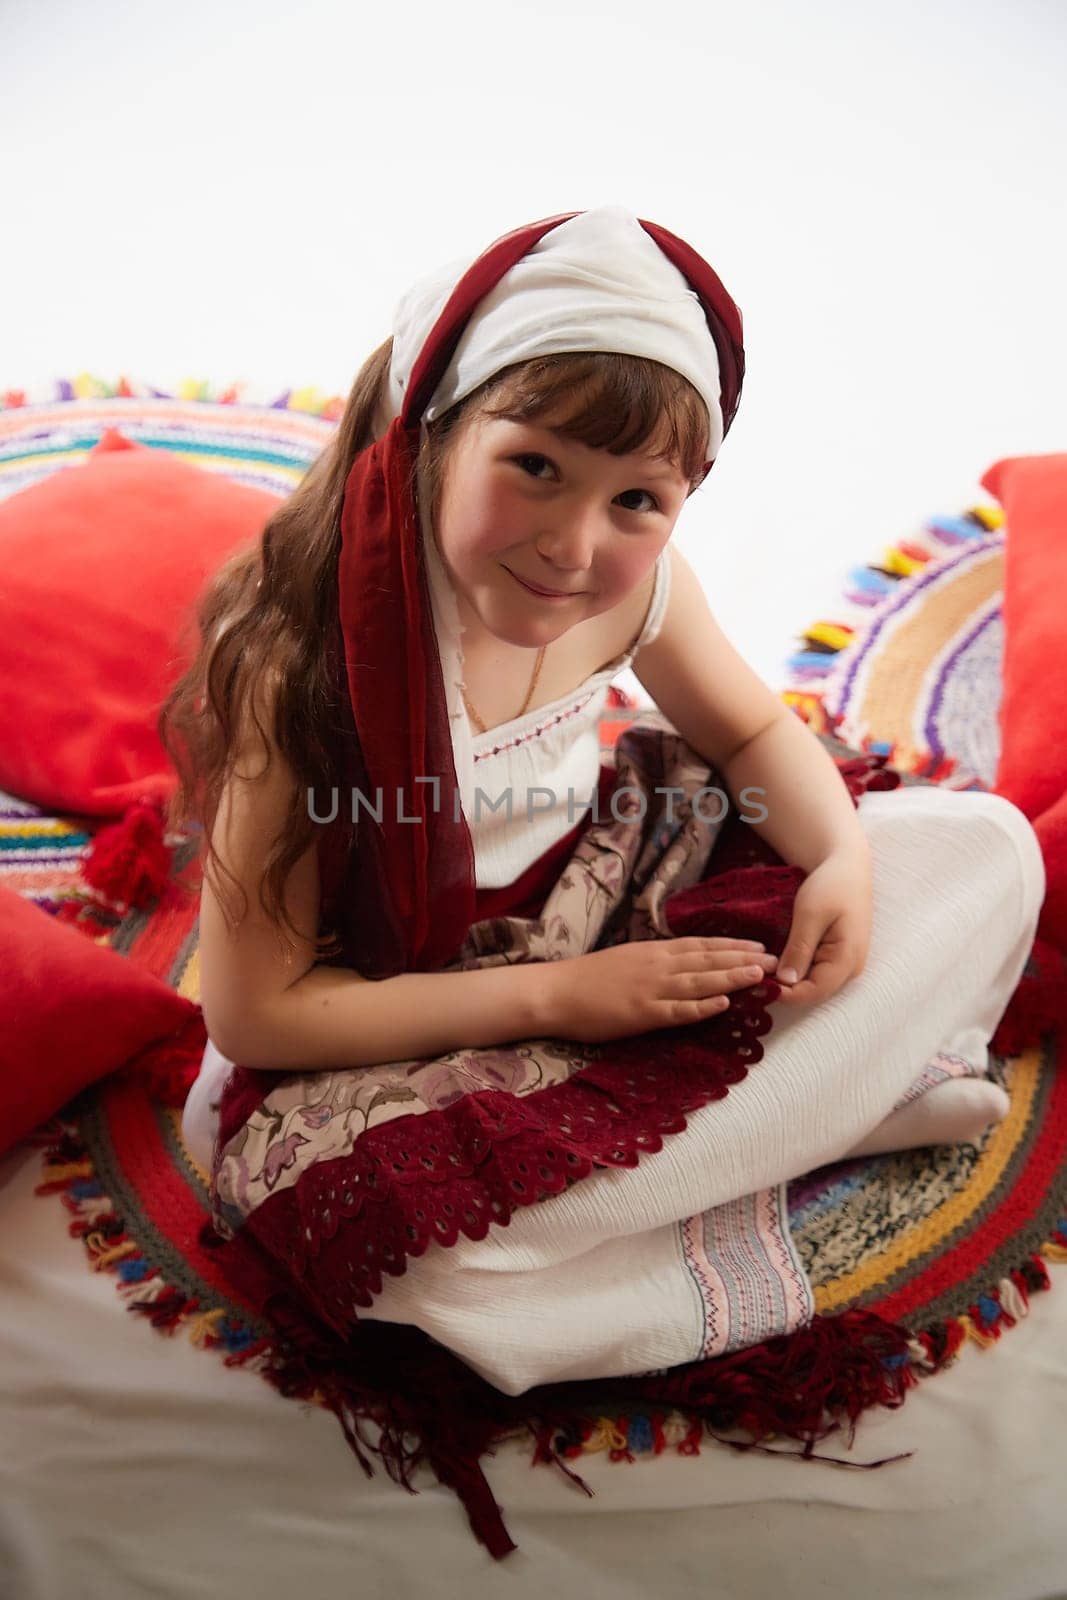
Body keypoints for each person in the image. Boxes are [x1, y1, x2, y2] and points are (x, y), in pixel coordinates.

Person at [172, 206, 1038, 1190]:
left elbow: (752, 730)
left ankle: (775, 1114)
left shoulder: (646, 589)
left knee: (990, 847)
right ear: (432, 438)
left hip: (593, 887)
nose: (573, 546)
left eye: (635, 500)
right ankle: (813, 1108)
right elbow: (255, 1014)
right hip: (407, 996)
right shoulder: (300, 670)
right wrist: (563, 999)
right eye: (535, 467)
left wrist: (837, 856)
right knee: (451, 1259)